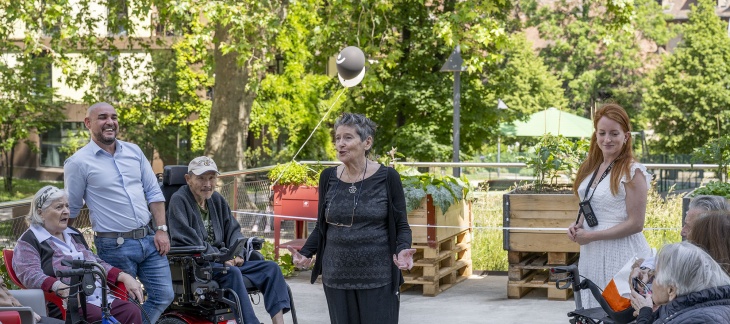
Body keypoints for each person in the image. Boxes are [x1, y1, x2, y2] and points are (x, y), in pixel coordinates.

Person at [288, 112, 416, 324]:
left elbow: (401, 225)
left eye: (348, 138)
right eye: (337, 138)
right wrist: (305, 252)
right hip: (336, 277)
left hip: (378, 277)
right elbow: (322, 226)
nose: (340, 144)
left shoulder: (387, 177)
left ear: (367, 142)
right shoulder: (328, 177)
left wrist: (403, 249)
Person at [64, 102, 174, 323]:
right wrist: (61, 240)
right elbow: (72, 208)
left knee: (164, 295)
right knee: (125, 304)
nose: (110, 122)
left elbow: (153, 191)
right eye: (102, 117)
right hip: (114, 246)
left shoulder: (134, 151)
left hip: (150, 239)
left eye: (113, 117)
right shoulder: (78, 162)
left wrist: (161, 230)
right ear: (88, 123)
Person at [167, 156, 291, 324]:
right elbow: (186, 239)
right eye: (201, 178)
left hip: (224, 261)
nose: (207, 184)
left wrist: (237, 253)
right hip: (199, 266)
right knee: (232, 272)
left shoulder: (216, 200)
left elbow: (234, 230)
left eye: (211, 178)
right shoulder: (179, 200)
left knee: (271, 268)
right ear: (188, 179)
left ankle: (279, 322)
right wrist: (221, 258)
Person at [13, 186, 143, 323]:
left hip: (101, 298)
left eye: (67, 206)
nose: (66, 211)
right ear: (40, 213)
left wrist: (123, 276)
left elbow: (96, 262)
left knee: (132, 312)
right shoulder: (29, 240)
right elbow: (29, 274)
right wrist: (59, 287)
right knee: (97, 318)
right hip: (68, 304)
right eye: (59, 207)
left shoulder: (73, 234)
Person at [566, 103, 652, 308]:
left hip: (622, 255)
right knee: (594, 310)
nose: (607, 139)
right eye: (602, 133)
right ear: (595, 135)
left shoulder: (632, 171)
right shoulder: (591, 167)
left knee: (619, 311)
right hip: (592, 254)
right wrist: (577, 226)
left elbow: (636, 223)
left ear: (626, 136)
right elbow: (589, 204)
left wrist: (592, 236)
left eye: (614, 133)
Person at [629, 242, 730, 323]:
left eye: (655, 276)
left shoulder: (699, 319)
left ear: (671, 290)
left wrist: (644, 316)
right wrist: (657, 314)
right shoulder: (706, 309)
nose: (651, 283)